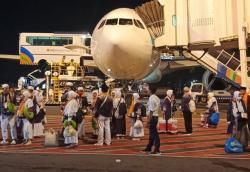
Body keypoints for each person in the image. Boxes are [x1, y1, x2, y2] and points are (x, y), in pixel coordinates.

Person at [142, 85, 161, 155]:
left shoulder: (151, 98)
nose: (147, 90)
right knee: (152, 133)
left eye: (147, 88)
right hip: (155, 117)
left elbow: (151, 111)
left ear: (150, 90)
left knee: (154, 133)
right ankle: (149, 147)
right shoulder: (157, 98)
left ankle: (156, 148)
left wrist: (148, 121)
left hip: (152, 117)